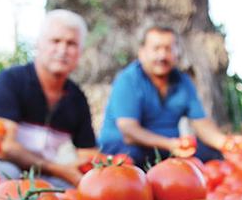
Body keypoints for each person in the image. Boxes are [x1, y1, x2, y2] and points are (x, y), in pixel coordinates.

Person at [0, 9, 97, 187]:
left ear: (79, 53)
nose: (62, 50)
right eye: (55, 41)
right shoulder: (11, 80)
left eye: (71, 44)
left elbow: (87, 153)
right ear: (39, 44)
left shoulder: (77, 98)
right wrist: (58, 169)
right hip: (3, 166)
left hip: (49, 175)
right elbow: (4, 147)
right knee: (5, 176)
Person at [98, 25, 231, 165]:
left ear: (177, 52)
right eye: (156, 49)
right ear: (142, 52)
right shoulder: (128, 80)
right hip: (125, 147)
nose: (162, 56)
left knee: (211, 153)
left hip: (167, 148)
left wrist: (226, 143)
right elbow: (129, 131)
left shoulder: (183, 82)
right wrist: (170, 144)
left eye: (168, 49)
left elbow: (201, 124)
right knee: (131, 158)